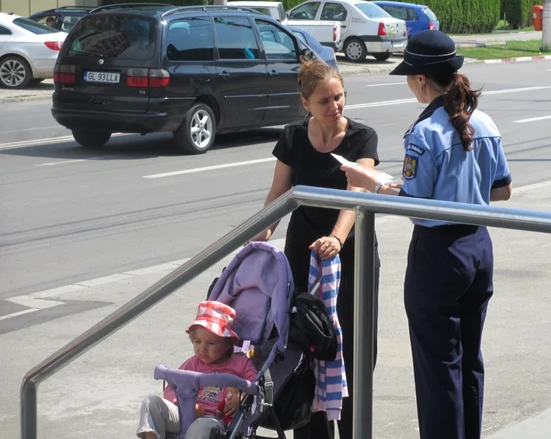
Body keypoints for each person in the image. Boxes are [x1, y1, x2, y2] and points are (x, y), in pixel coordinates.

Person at [340, 30, 512, 439]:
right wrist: (465, 188)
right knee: (469, 360)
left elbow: (415, 208)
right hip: (478, 246)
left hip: (439, 254)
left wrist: (371, 181)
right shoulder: (483, 120)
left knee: (438, 369)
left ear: (421, 80)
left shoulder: (425, 132)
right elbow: (502, 189)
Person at [252, 57, 381, 439]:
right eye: (325, 101)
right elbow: (279, 195)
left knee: (353, 353)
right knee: (304, 351)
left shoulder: (362, 137)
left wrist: (337, 239)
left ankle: (355, 430)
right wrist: (262, 232)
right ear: (305, 103)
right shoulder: (292, 138)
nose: (335, 106)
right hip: (301, 257)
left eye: (339, 97)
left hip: (350, 259)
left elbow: (355, 197)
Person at [136, 300, 258, 439]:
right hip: (186, 415)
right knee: (151, 403)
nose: (202, 349)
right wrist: (184, 404)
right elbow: (172, 387)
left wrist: (240, 397)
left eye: (211, 343)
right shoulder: (193, 363)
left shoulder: (241, 363)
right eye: (197, 342)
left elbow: (254, 386)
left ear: (227, 344)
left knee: (201, 425)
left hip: (214, 421)